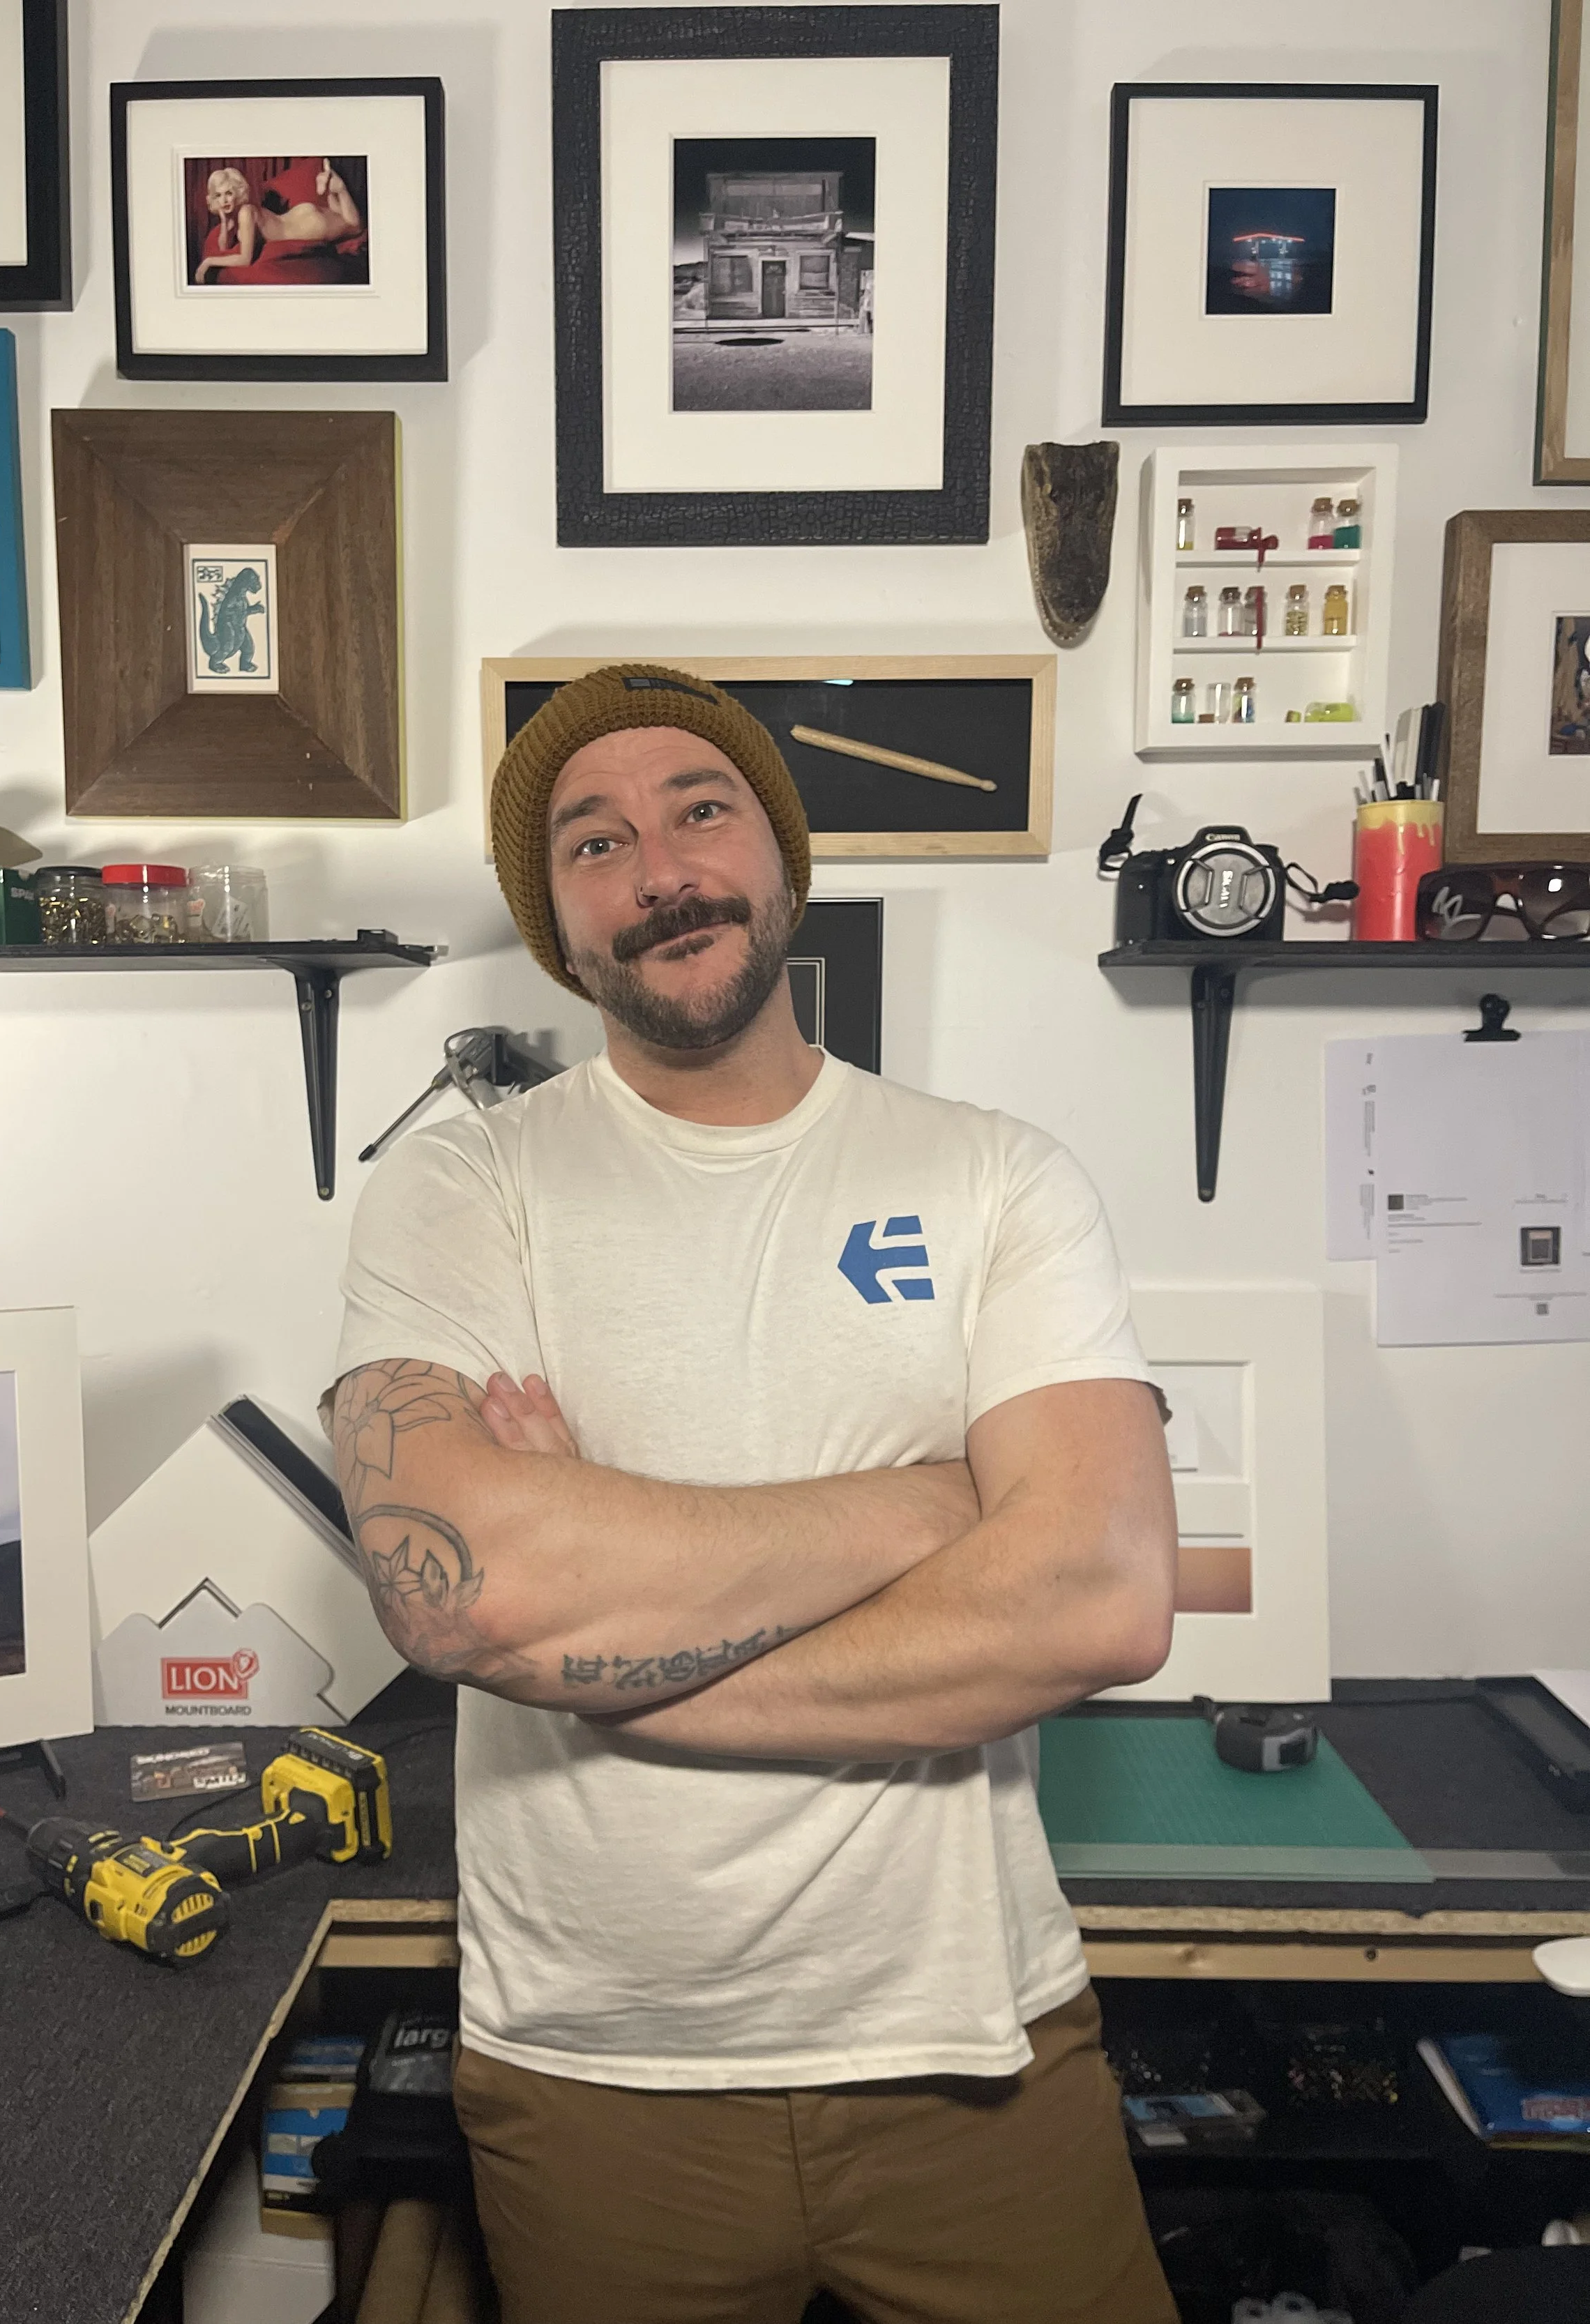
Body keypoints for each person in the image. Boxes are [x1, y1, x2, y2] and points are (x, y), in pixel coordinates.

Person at [328, 662, 1181, 2324]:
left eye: (700, 810)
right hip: (592, 2074)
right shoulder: (463, 1182)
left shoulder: (993, 1173)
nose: (659, 870)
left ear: (779, 859)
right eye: (592, 844)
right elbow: (468, 1594)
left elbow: (1099, 1595)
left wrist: (628, 1668)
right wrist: (933, 1505)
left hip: (971, 2049)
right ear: (559, 928)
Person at [192, 158, 363, 282]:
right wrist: (224, 221)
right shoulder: (238, 215)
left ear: (238, 192)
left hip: (308, 227)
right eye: (219, 196)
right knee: (341, 216)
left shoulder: (245, 213)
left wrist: (209, 262)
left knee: (355, 227)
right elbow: (224, 247)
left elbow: (245, 259)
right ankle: (327, 189)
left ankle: (339, 188)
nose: (225, 201)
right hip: (299, 216)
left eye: (229, 193)